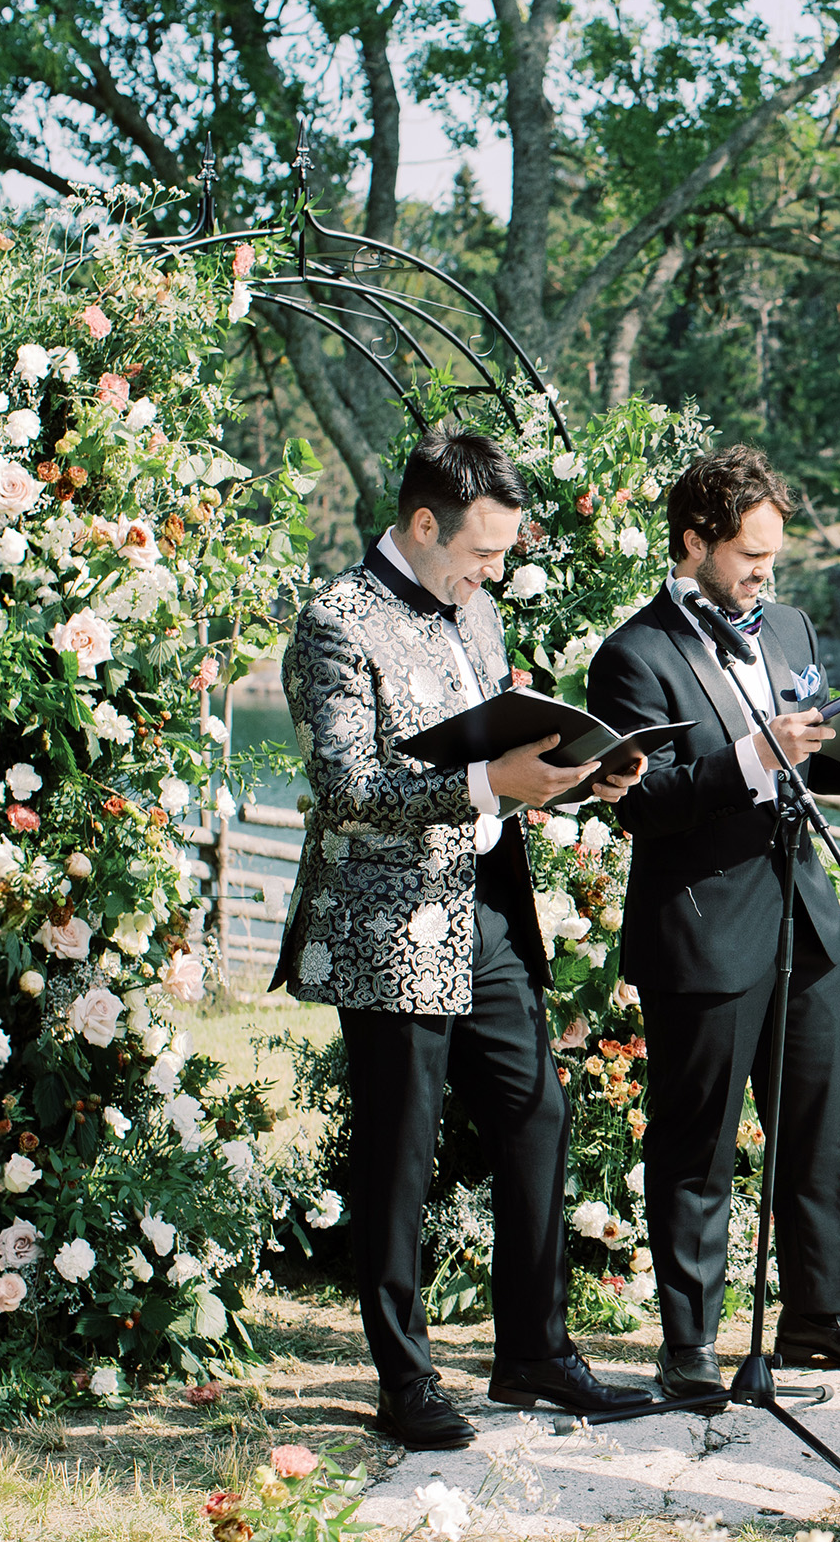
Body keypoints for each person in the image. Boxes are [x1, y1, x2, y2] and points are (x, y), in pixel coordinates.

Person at [275, 430, 651, 1451]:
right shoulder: (333, 622)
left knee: (536, 1116)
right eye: (481, 551)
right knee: (399, 1153)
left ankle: (534, 1353)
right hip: (389, 924)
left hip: (486, 903)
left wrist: (571, 777)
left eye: (502, 555)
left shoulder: (476, 613)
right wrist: (491, 784)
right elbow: (350, 791)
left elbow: (492, 755)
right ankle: (406, 1380)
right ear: (424, 523)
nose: (494, 572)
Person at [586, 446, 840, 1407]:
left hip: (801, 919)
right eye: (749, 558)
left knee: (814, 1127)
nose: (766, 577)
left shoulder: (788, 627)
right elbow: (641, 807)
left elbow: (810, 761)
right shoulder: (634, 656)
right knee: (696, 1142)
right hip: (702, 928)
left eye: (774, 559)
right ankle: (688, 1342)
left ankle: (821, 1313)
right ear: (695, 543)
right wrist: (750, 755)